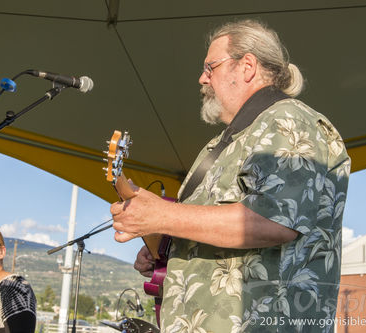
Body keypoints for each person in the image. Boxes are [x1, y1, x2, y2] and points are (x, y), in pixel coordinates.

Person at [111, 19, 350, 332]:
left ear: (247, 66)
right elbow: (219, 227)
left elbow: (275, 220)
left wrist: (163, 216)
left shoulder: (288, 119)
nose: (202, 79)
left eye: (210, 67)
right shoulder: (231, 140)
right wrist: (168, 249)